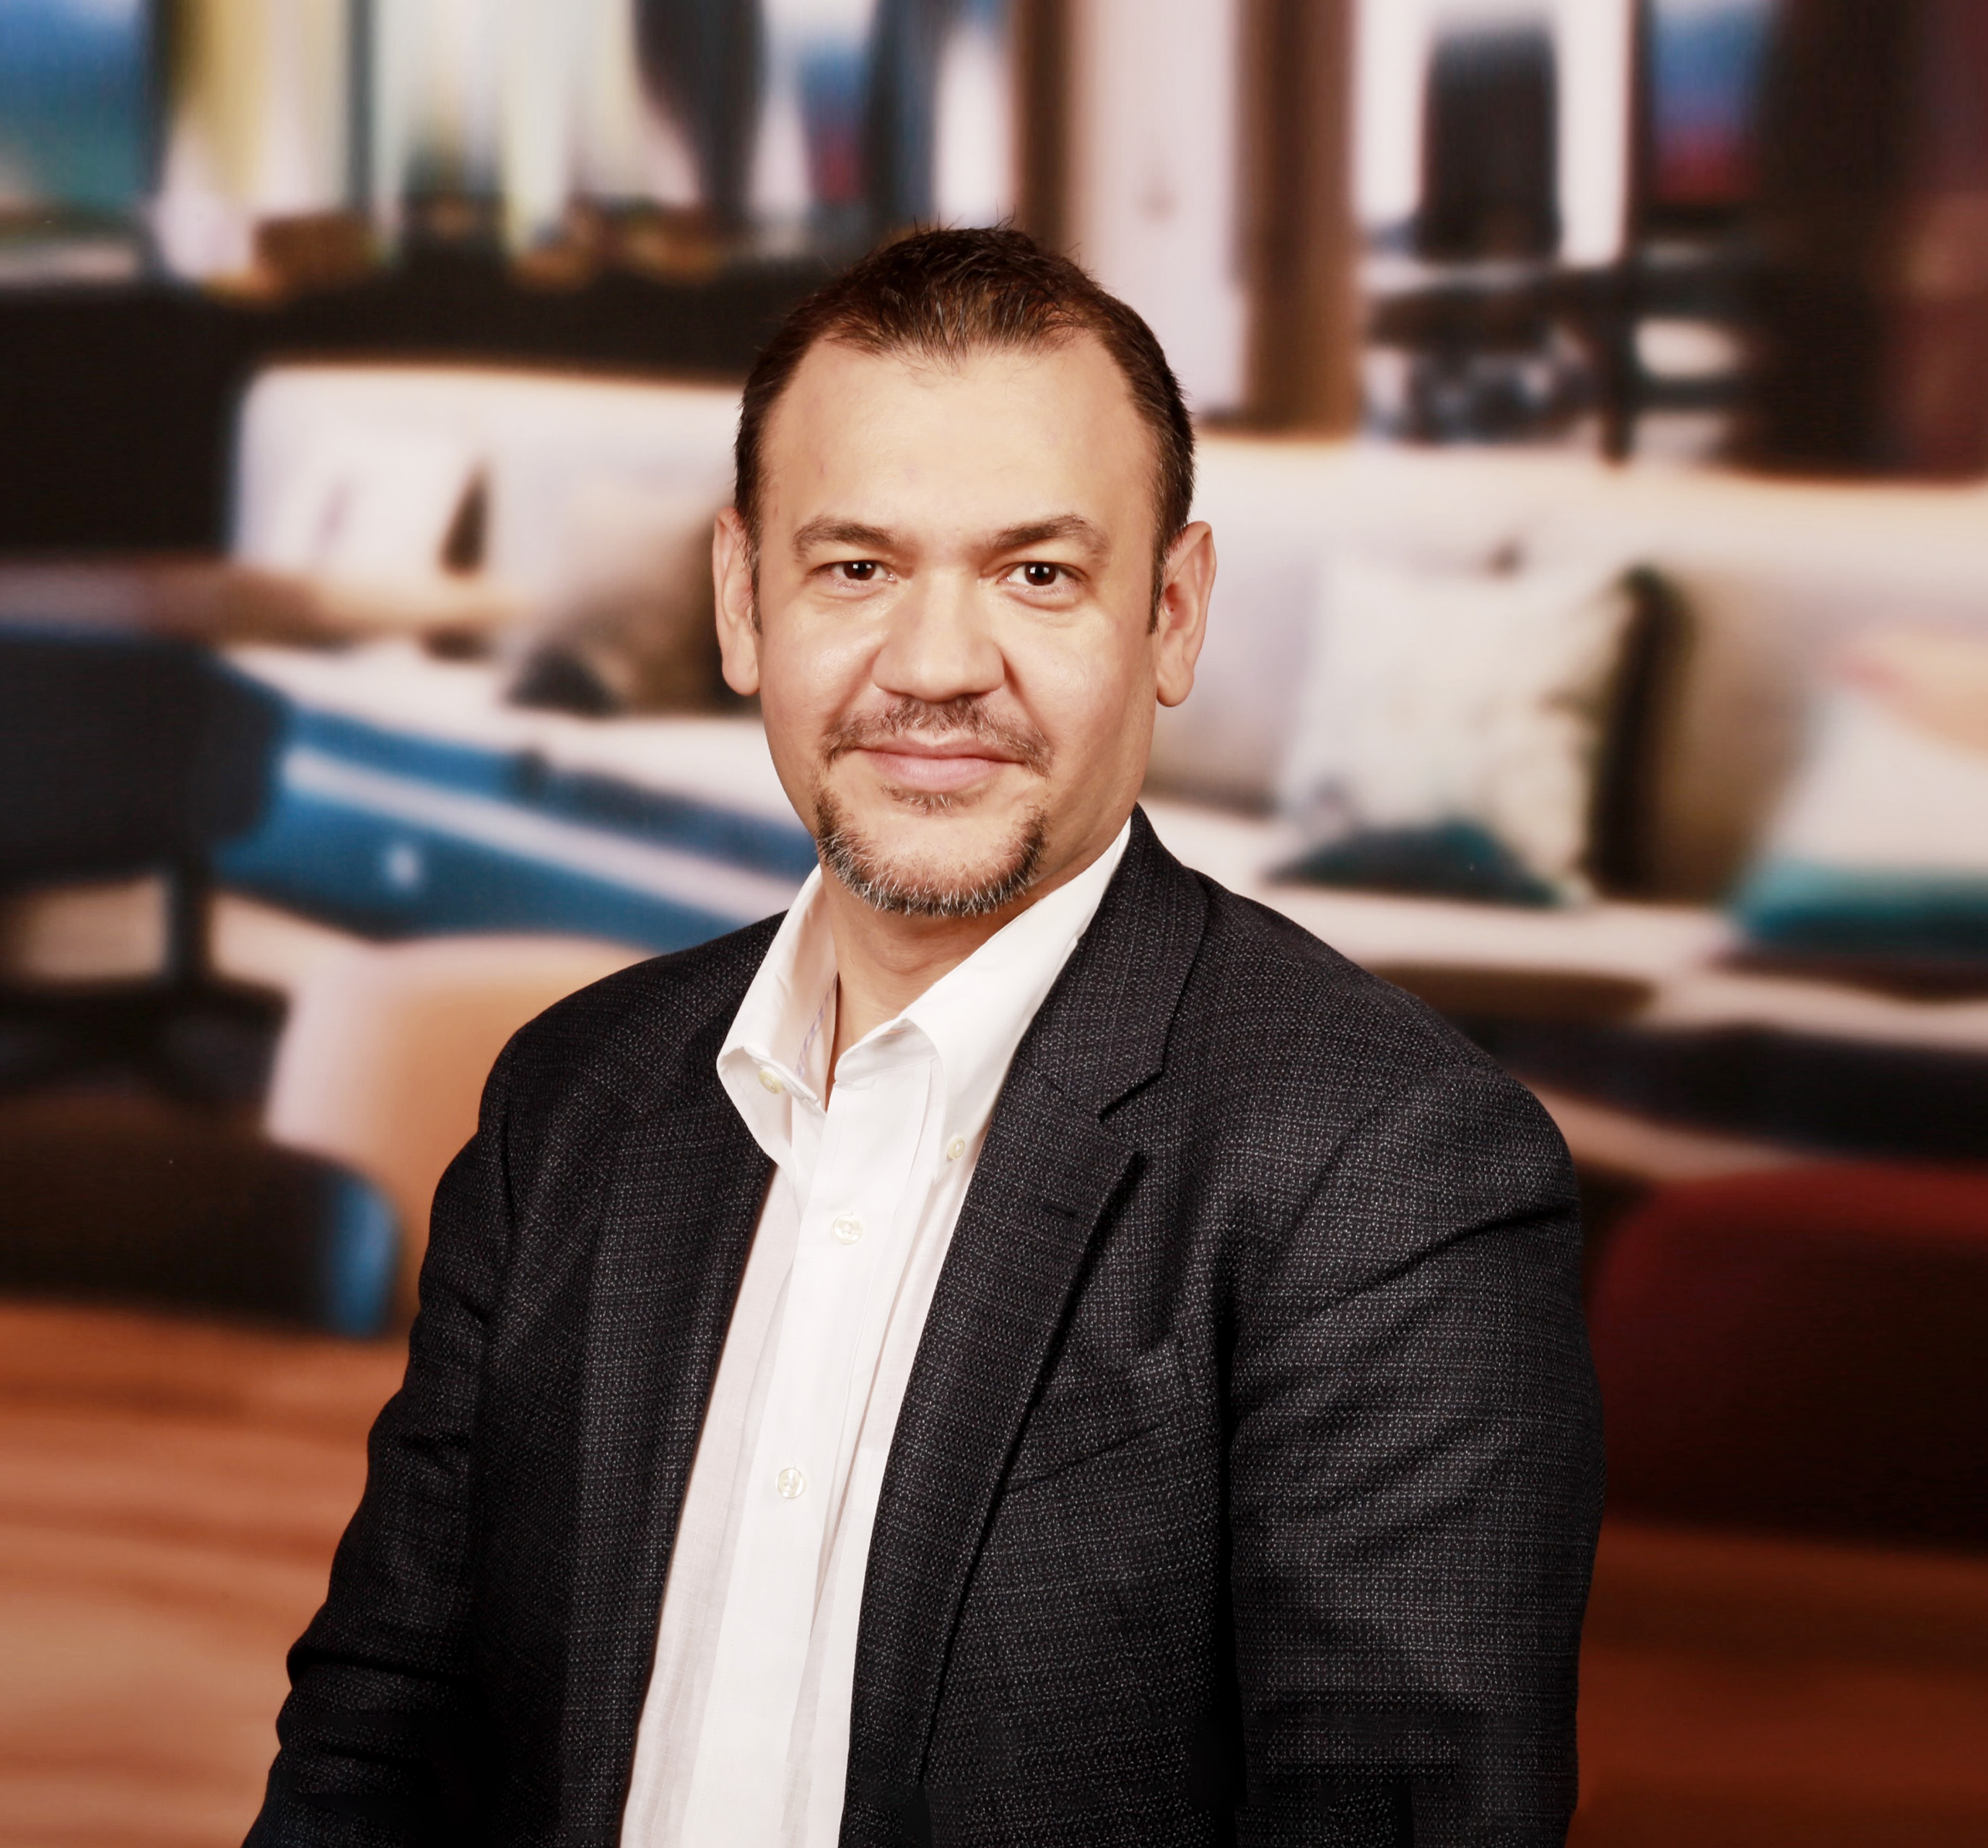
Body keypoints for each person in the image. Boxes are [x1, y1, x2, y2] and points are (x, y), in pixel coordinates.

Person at [249, 227, 1601, 1848]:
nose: (940, 669)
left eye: (1038, 574)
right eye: (856, 569)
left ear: (1173, 616)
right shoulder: (571, 1098)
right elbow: (377, 1734)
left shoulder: (1392, 1174)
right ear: (743, 604)